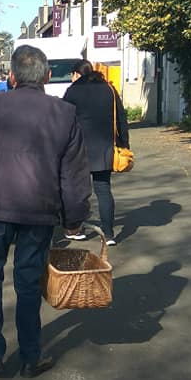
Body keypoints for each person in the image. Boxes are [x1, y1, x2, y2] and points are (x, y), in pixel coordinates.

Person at [0, 44, 91, 378]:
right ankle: (30, 355)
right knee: (28, 282)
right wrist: (74, 220)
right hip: (40, 210)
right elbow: (74, 174)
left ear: (11, 76)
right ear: (45, 76)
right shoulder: (64, 113)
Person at [62, 60, 130, 246]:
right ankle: (109, 234)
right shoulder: (109, 89)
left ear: (76, 73)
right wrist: (124, 143)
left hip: (78, 148)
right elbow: (121, 118)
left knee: (77, 192)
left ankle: (76, 229)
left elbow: (63, 120)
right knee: (103, 190)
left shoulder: (73, 91)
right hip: (104, 146)